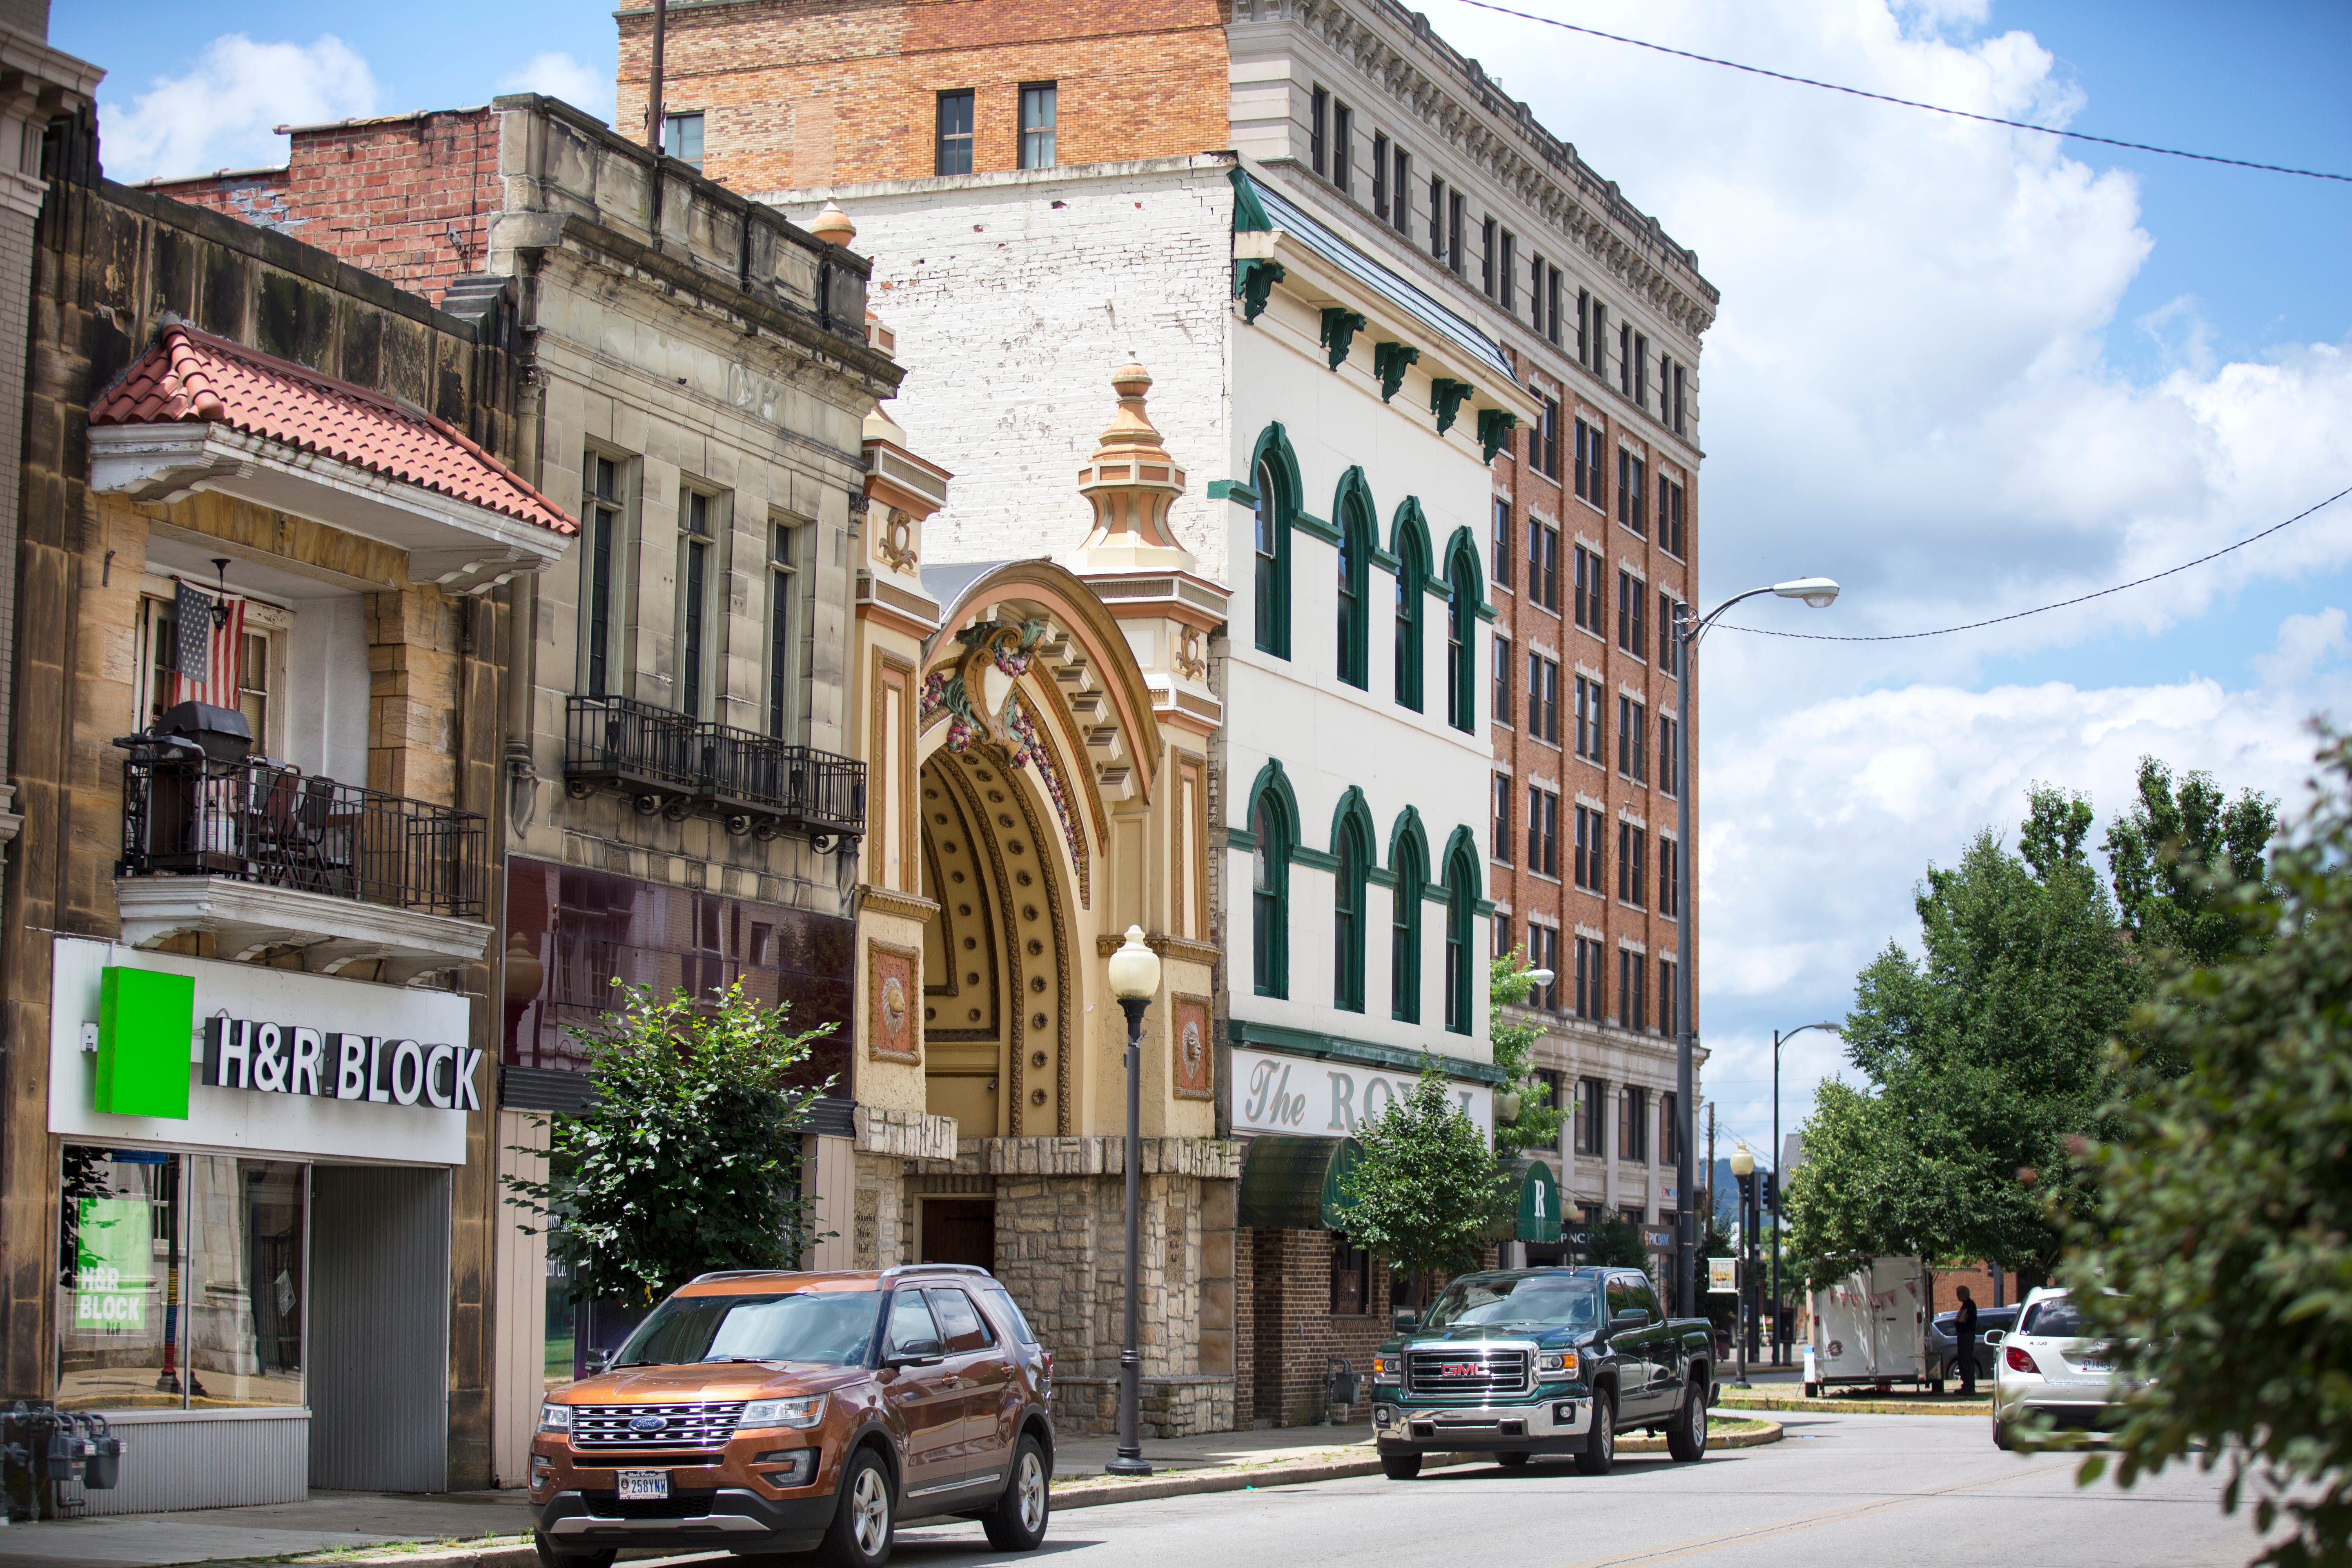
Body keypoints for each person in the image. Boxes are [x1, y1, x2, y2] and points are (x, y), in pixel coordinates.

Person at [1953, 1284, 1980, 1396]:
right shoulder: (1966, 1305)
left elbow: (1963, 1321)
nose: (1957, 1296)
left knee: (1966, 1360)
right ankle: (1966, 1385)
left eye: (1959, 1294)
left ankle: (1969, 1386)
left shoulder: (1969, 1306)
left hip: (1966, 1336)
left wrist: (1958, 1323)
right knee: (1963, 1360)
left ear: (1965, 1294)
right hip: (1964, 1335)